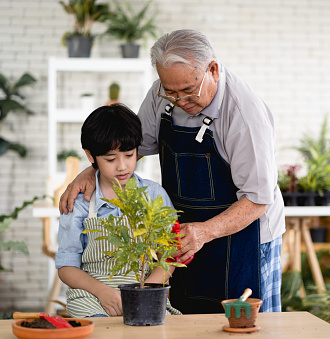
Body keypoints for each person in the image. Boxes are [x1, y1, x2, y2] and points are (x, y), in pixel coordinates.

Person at [59, 29, 285, 314]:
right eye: (171, 92)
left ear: (212, 70)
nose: (178, 101)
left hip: (246, 235)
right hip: (186, 234)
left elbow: (258, 199)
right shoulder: (162, 92)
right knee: (190, 316)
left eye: (188, 91)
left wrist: (206, 231)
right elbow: (128, 146)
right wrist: (88, 172)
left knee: (245, 324)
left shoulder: (245, 117)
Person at [55, 104, 181, 318]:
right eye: (111, 159)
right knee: (97, 327)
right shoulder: (79, 202)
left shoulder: (154, 195)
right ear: (90, 156)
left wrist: (143, 292)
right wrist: (104, 293)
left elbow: (168, 258)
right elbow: (66, 267)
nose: (122, 166)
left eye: (129, 155)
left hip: (145, 291)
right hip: (92, 296)